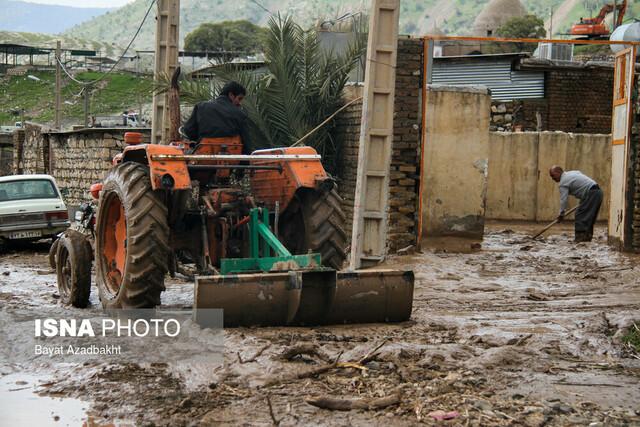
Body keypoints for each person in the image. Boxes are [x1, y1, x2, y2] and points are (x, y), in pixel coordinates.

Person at [182, 81, 251, 154]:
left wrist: (201, 141)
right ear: (231, 95)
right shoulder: (240, 113)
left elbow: (188, 129)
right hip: (232, 161)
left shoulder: (201, 107)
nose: (240, 103)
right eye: (239, 99)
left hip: (203, 158)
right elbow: (246, 142)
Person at [549, 165, 603, 242]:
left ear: (559, 172)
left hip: (590, 193)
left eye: (553, 176)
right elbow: (583, 183)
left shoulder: (563, 183)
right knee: (589, 218)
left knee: (580, 215)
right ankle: (587, 240)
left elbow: (563, 201)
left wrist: (561, 215)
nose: (552, 178)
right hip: (598, 192)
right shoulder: (573, 172)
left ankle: (580, 241)